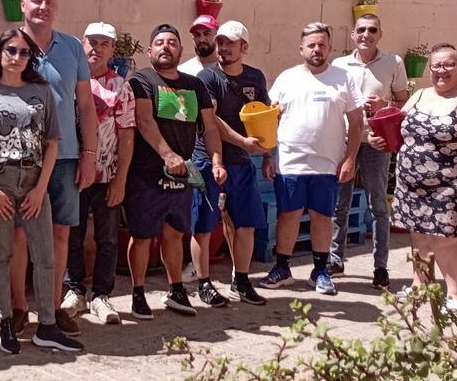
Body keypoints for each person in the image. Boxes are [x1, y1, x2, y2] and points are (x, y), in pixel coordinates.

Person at [0, 29, 82, 353]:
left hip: (33, 184)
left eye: (25, 53)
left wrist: (40, 187)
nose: (17, 57)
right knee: (1, 254)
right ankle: (5, 322)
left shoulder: (41, 92)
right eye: (11, 50)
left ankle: (47, 325)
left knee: (45, 256)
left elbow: (52, 143)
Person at [8, 0, 98, 337]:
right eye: (36, 1)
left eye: (48, 2)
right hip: (21, 160)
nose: (42, 7)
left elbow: (86, 107)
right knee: (19, 235)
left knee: (60, 234)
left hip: (67, 157)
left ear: (55, 8)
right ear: (23, 6)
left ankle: (52, 308)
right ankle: (18, 308)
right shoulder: (10, 45)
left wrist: (89, 155)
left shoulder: (73, 48)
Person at [125, 24, 226, 317]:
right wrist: (167, 154)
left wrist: (217, 160)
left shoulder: (195, 86)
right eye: (159, 42)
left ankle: (176, 290)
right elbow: (145, 122)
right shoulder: (141, 79)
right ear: (149, 50)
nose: (165, 47)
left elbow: (209, 128)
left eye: (172, 42)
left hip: (182, 174)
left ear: (181, 50)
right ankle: (138, 293)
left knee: (174, 233)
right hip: (146, 173)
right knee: (142, 236)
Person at [389, 44, 457, 317]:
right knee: (419, 235)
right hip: (411, 184)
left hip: (447, 186)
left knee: (444, 238)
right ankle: (420, 283)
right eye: (436, 65)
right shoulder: (420, 95)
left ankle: (455, 293)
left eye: (448, 65)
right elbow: (400, 127)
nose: (441, 71)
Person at [260, 23, 364, 296]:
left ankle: (320, 271)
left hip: (328, 164)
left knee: (322, 217)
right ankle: (282, 268)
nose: (316, 49)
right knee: (288, 215)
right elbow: (269, 119)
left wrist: (350, 158)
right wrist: (267, 155)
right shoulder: (286, 78)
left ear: (329, 48)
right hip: (290, 162)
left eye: (322, 44)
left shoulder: (344, 78)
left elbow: (356, 123)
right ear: (301, 48)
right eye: (311, 45)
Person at [189, 21, 273, 306]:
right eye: (220, 42)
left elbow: (264, 118)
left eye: (230, 43)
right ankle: (204, 283)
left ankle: (242, 281)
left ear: (244, 47)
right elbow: (211, 119)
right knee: (203, 226)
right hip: (208, 160)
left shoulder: (256, 78)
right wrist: (242, 142)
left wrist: (267, 155)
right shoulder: (207, 77)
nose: (223, 47)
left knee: (247, 225)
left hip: (242, 163)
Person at [60, 22, 135, 325]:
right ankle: (74, 290)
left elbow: (127, 136)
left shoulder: (121, 87)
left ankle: (101, 295)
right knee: (71, 235)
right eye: (92, 42)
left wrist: (121, 179)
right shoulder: (68, 82)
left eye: (105, 43)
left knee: (108, 239)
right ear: (82, 44)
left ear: (112, 50)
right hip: (72, 173)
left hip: (108, 177)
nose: (97, 48)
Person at [329, 14, 409, 289]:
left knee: (378, 206)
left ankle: (380, 267)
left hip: (376, 143)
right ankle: (335, 259)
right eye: (361, 30)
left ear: (380, 34)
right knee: (340, 203)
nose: (366, 34)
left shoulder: (393, 63)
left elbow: (403, 104)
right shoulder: (339, 65)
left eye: (372, 29)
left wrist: (383, 104)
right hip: (343, 143)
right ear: (352, 35)